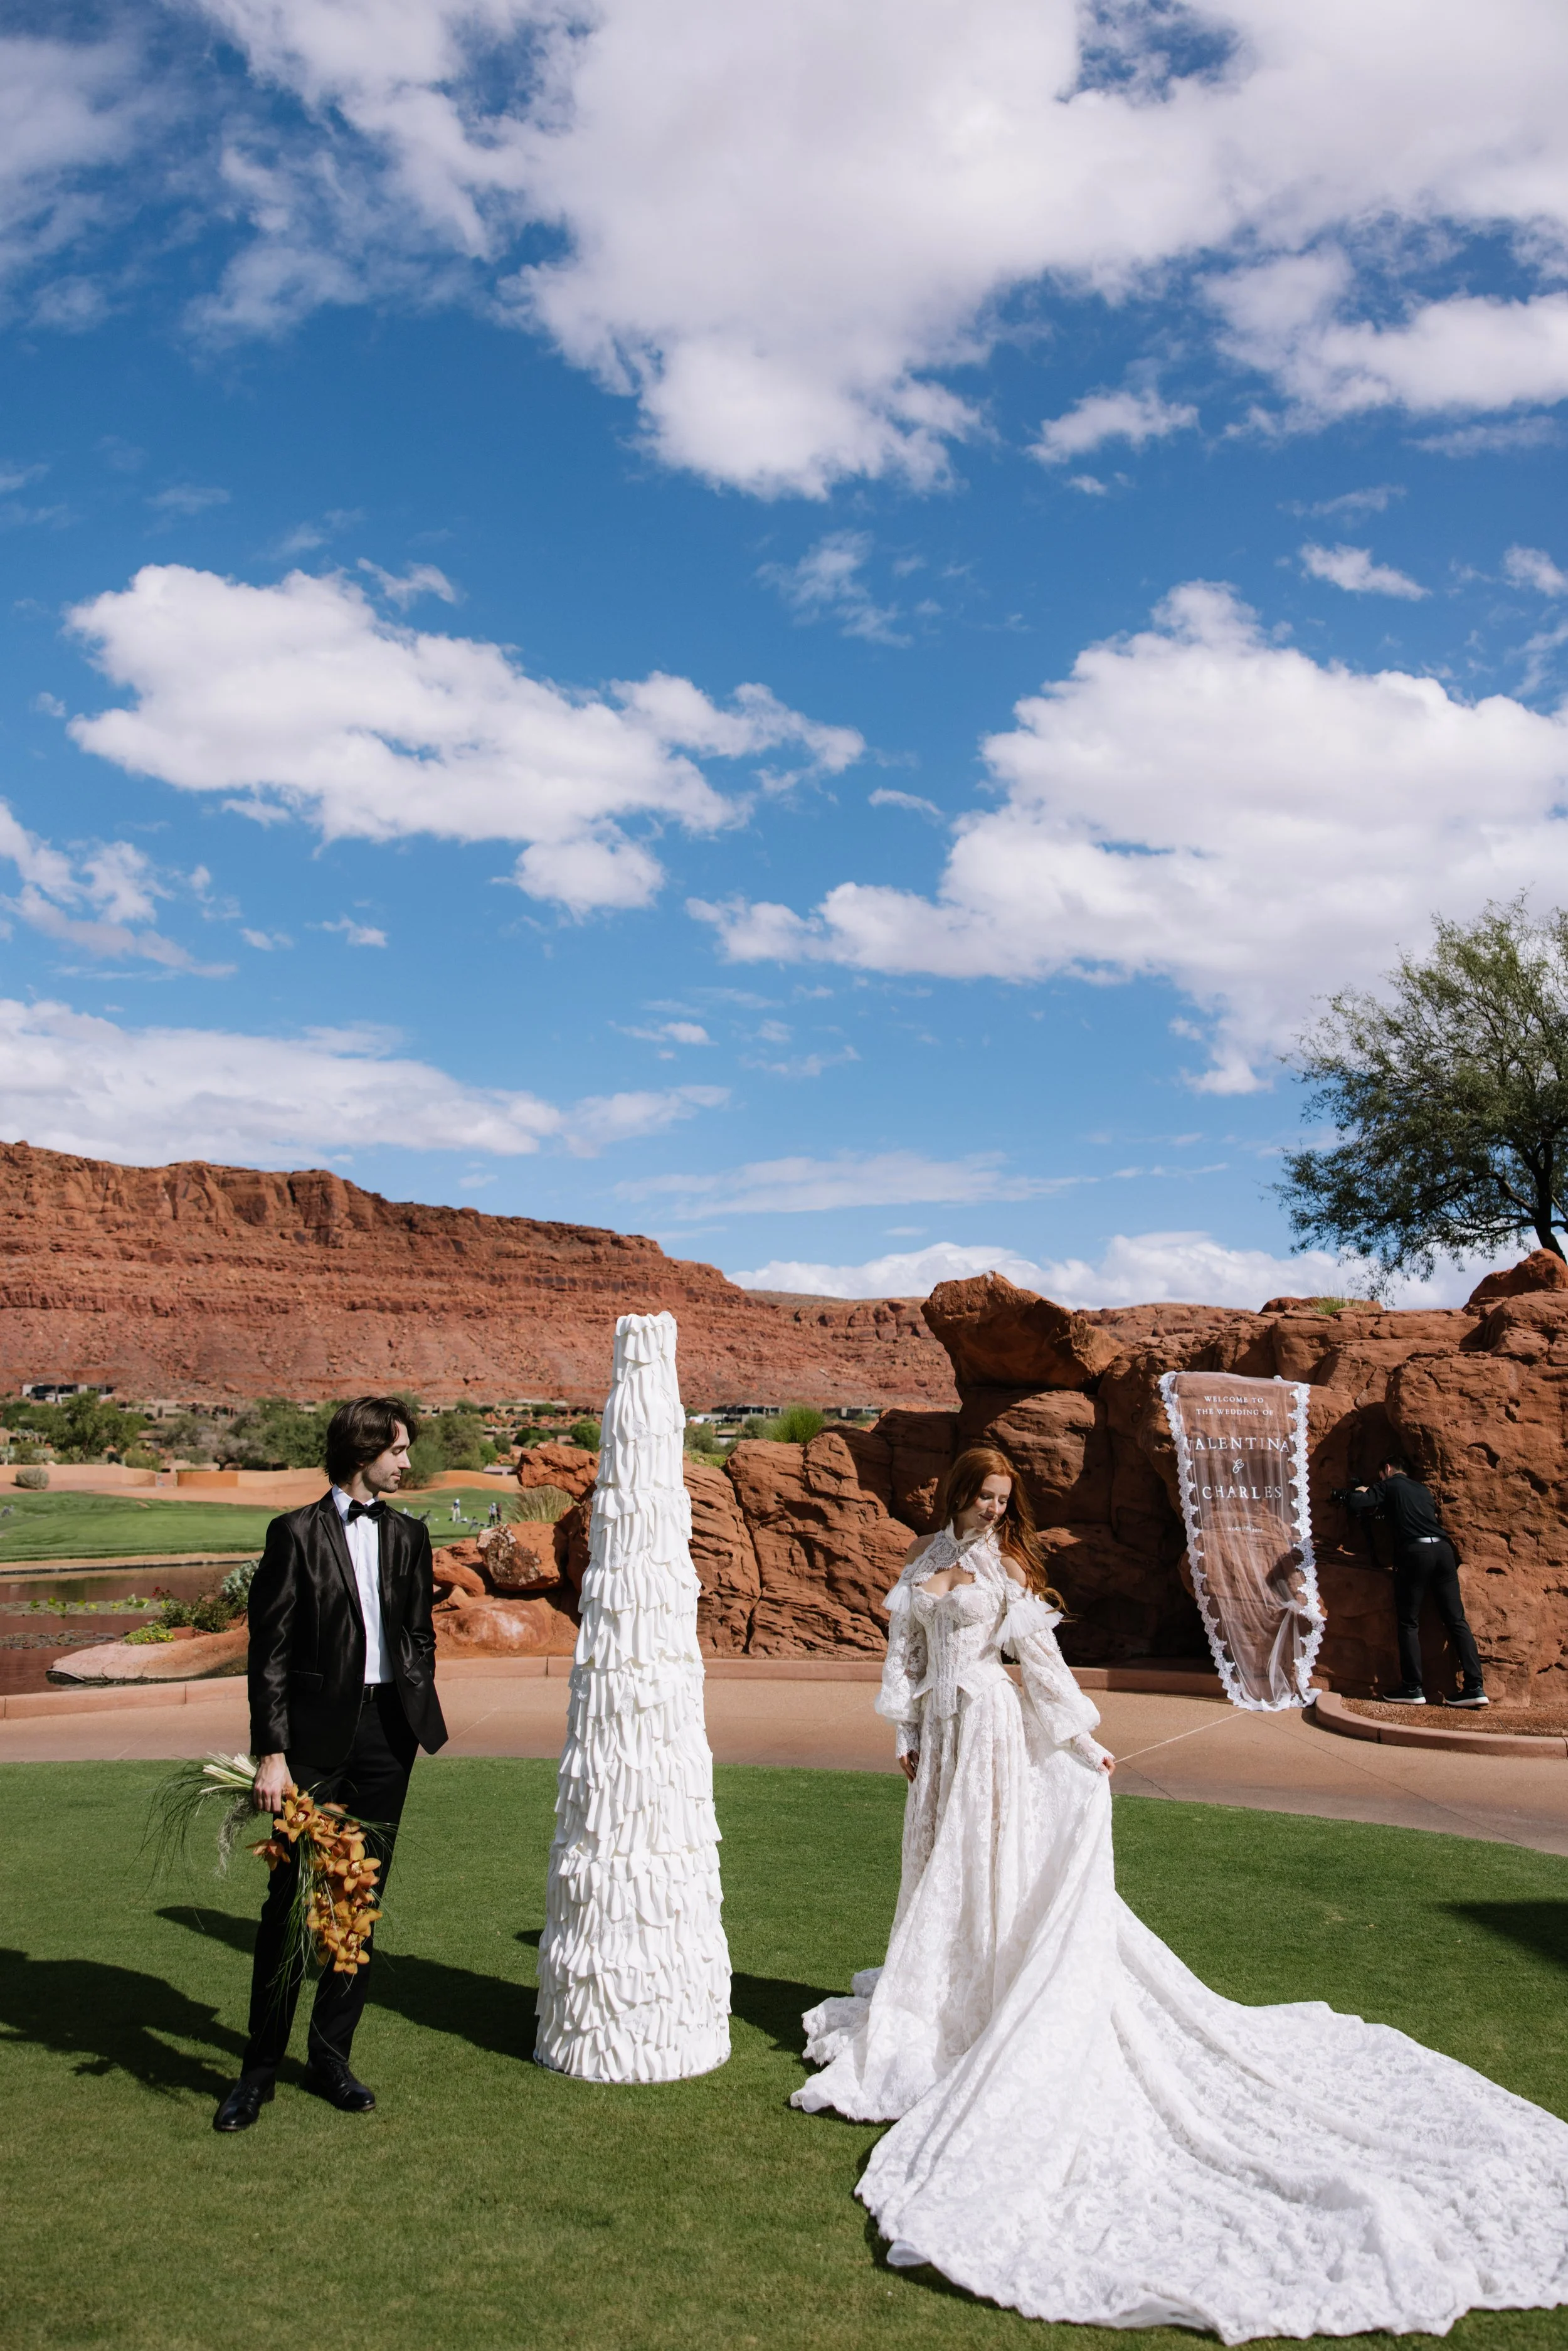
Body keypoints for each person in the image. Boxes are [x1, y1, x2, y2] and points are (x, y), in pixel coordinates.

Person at [793, 1447, 1568, 2339]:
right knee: (939, 1870)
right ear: (960, 1494)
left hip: (997, 1734)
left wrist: (1085, 1743)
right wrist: (905, 1732)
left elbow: (1039, 1662)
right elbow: (903, 1650)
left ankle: (990, 1999)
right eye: (987, 1498)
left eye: (1008, 1500)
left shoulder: (1005, 1570)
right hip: (941, 1739)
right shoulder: (924, 1561)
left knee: (989, 1864)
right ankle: (940, 1993)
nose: (1000, 1512)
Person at [212, 1396, 448, 2133]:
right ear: (364, 1450)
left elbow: (418, 1632)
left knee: (358, 1898)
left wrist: (412, 1703)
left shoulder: (410, 1533)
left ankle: (329, 2058)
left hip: (389, 1737)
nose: (407, 1462)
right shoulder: (294, 1533)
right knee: (288, 1905)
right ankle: (257, 2071)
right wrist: (272, 1754)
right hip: (310, 1746)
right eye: (399, 1449)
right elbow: (269, 1654)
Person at [1345, 1455, 1487, 1706]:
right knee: (1456, 1620)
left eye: (1381, 1476)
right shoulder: (1422, 1490)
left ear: (1387, 1469)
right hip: (1443, 1552)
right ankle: (1475, 1687)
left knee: (1409, 1622)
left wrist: (1360, 1489)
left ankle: (1413, 1689)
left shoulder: (1389, 1484)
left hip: (1416, 1553)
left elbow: (1359, 1502)